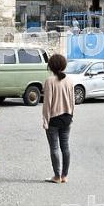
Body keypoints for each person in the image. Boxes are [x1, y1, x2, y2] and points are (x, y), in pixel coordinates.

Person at [42, 54, 75, 184]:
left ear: (51, 66)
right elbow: (72, 102)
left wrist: (45, 121)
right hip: (67, 118)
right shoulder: (70, 80)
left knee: (54, 148)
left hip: (54, 119)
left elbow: (47, 104)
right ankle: (64, 176)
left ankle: (57, 176)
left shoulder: (50, 81)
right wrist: (71, 116)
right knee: (65, 147)